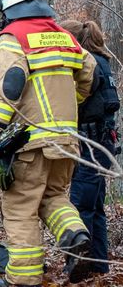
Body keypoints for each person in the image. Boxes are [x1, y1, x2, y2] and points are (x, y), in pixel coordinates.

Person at [0, 0, 96, 286]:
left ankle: (23, 280)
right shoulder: (63, 36)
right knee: (55, 196)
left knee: (20, 208)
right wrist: (71, 103)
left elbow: (11, 85)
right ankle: (75, 235)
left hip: (30, 141)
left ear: (8, 9)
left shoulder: (12, 37)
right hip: (66, 141)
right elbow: (89, 73)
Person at [60, 20, 119, 278]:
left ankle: (79, 268)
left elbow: (76, 101)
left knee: (81, 206)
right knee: (95, 208)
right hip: (100, 143)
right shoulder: (102, 61)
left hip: (90, 145)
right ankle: (98, 266)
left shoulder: (88, 64)